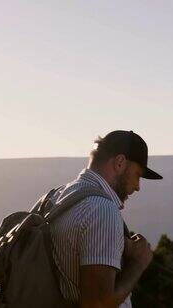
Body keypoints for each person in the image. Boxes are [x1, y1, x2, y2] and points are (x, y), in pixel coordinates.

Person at [46, 130, 162, 308]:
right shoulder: (102, 210)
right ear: (120, 163)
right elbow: (97, 304)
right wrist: (139, 263)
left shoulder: (56, 197)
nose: (138, 187)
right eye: (138, 175)